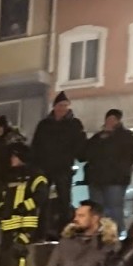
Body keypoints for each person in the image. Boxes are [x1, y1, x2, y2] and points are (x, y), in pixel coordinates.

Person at [0, 142, 48, 266]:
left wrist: (25, 206)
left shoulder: (35, 175)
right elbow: (3, 197)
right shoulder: (9, 176)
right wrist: (1, 209)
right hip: (8, 225)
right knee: (9, 258)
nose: (11, 159)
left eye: (14, 156)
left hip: (25, 225)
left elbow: (41, 195)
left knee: (18, 255)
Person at [32, 92, 87, 235]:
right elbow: (36, 145)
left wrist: (80, 155)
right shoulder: (44, 124)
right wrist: (35, 165)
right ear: (54, 107)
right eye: (60, 105)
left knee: (64, 200)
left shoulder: (74, 124)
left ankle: (64, 231)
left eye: (65, 105)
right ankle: (41, 231)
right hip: (45, 167)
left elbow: (80, 144)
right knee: (42, 199)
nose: (63, 108)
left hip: (63, 167)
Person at [83, 109, 133, 225]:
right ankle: (98, 232)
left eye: (113, 119)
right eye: (108, 119)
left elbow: (130, 156)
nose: (110, 121)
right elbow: (86, 153)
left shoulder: (125, 136)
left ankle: (116, 232)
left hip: (115, 179)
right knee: (97, 209)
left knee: (114, 209)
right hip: (96, 178)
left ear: (118, 121)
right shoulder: (98, 136)